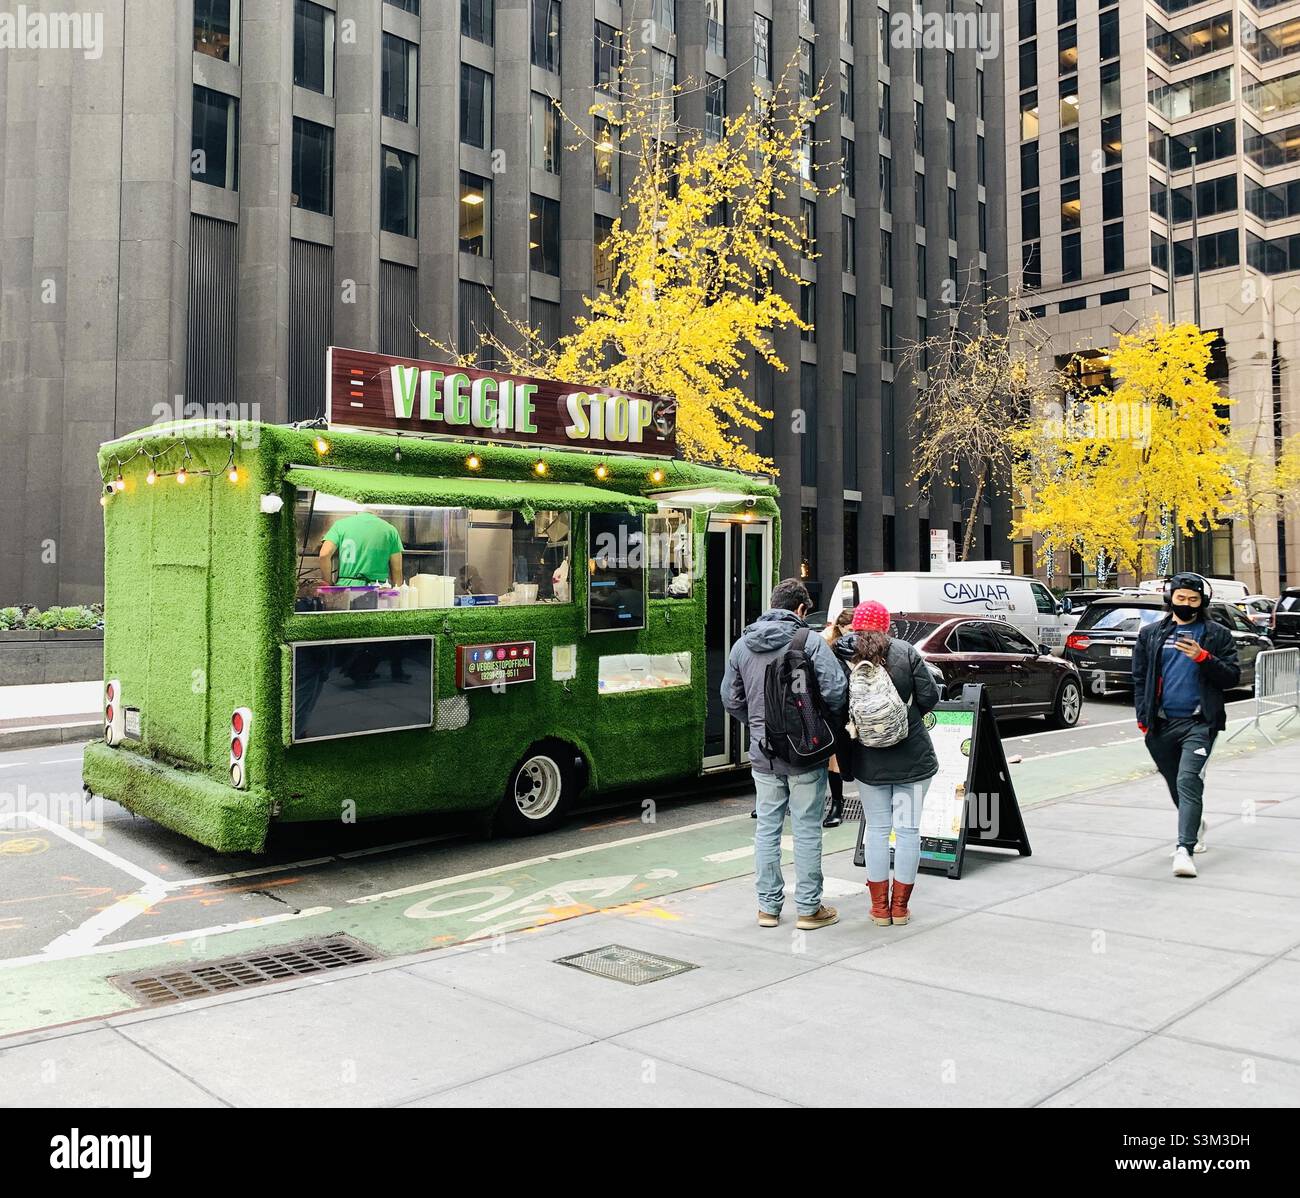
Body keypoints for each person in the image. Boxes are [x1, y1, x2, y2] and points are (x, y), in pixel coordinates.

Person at [722, 578, 847, 931]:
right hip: (805, 753)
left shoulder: (742, 646)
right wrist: (815, 722)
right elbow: (836, 690)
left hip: (763, 754)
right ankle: (808, 909)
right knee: (807, 827)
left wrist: (759, 725)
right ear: (801, 609)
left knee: (767, 828)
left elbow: (731, 699)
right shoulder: (809, 641)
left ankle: (768, 909)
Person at [836, 600, 940, 927]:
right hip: (912, 758)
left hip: (869, 761)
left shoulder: (844, 658)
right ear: (886, 625)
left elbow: (838, 704)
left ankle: (879, 909)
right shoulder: (906, 651)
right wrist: (907, 718)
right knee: (907, 831)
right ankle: (900, 908)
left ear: (856, 626)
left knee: (878, 831)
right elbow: (930, 695)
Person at [1133, 572, 1240, 878]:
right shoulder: (1152, 634)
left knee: (1187, 780)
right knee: (1174, 782)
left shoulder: (1215, 634)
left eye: (1193, 600)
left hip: (1200, 723)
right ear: (1171, 600)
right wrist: (1143, 719)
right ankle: (1195, 822)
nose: (1187, 604)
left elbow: (1231, 676)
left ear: (1202, 602)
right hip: (1160, 724)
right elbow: (1140, 678)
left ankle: (1185, 849)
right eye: (1181, 599)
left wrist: (1203, 657)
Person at [319, 510, 403, 610]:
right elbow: (397, 571)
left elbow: (324, 555)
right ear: (379, 509)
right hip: (379, 594)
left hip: (345, 593)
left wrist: (328, 585)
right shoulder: (390, 530)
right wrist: (397, 600)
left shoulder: (341, 525)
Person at [821, 609, 856, 828]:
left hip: (864, 711)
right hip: (839, 712)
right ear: (841, 628)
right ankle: (837, 802)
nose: (853, 635)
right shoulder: (829, 647)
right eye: (849, 630)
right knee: (835, 758)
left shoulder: (868, 647)